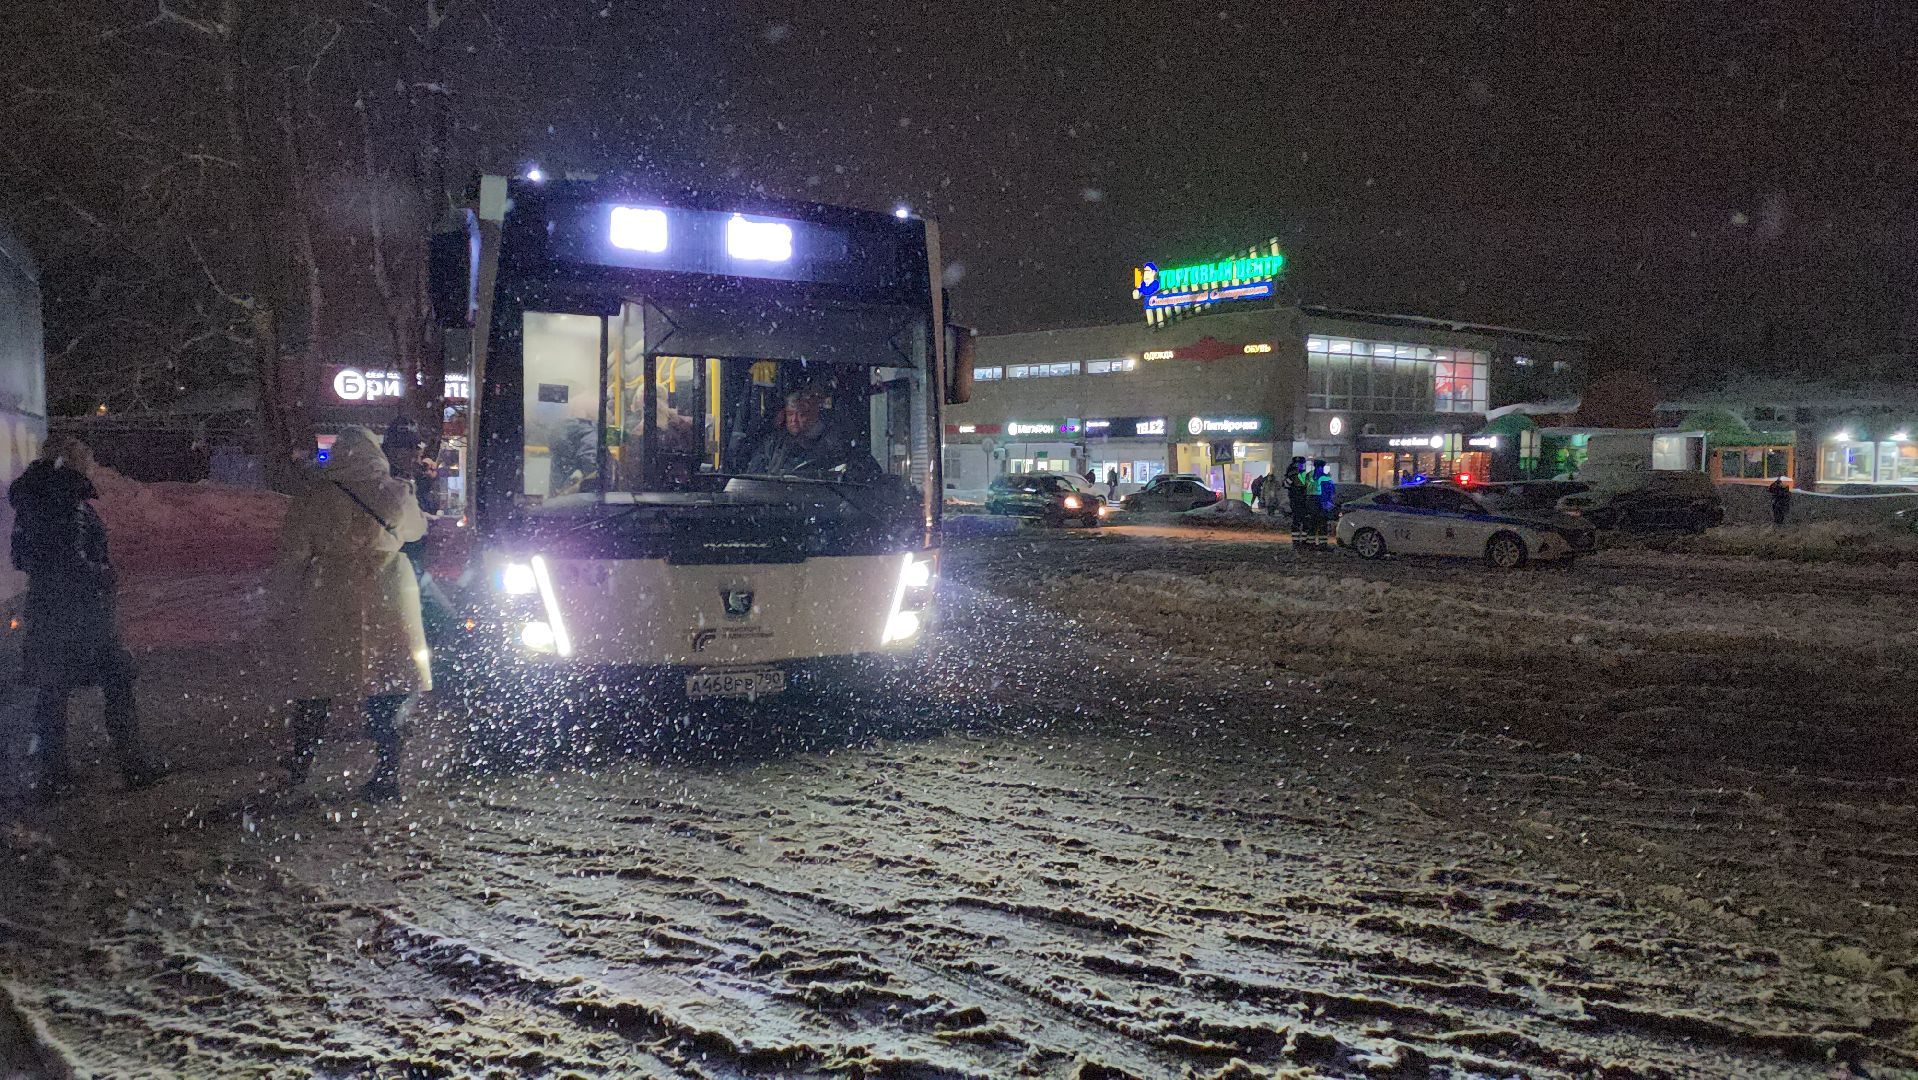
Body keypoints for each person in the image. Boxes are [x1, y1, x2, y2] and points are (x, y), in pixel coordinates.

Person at [270, 426, 430, 801]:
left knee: (318, 681)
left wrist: (281, 601)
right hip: (387, 588)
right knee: (386, 681)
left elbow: (293, 554)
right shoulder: (394, 491)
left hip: (330, 590)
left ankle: (300, 764)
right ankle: (387, 770)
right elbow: (416, 531)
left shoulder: (313, 497)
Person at [9, 437, 163, 799]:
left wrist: (51, 576)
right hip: (83, 614)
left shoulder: (31, 502)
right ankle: (133, 764)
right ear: (72, 462)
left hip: (47, 609)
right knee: (117, 681)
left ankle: (53, 772)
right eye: (85, 458)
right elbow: (75, 559)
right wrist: (104, 574)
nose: (91, 465)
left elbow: (21, 556)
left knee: (52, 691)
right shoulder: (70, 500)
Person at [746, 384, 875, 479]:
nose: (794, 420)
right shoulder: (773, 445)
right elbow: (754, 479)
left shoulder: (838, 443)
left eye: (801, 414)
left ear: (815, 413)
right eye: (790, 414)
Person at [1283, 456, 1310, 546]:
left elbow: (1285, 485)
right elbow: (1285, 484)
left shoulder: (1297, 475)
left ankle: (1298, 541)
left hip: (1299, 501)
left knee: (1300, 521)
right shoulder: (1297, 475)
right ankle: (1299, 541)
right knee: (1301, 521)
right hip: (1299, 501)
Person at [1314, 460, 1338, 546]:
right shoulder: (1325, 478)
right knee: (1322, 525)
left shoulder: (1310, 476)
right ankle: (1323, 544)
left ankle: (1310, 544)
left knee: (1312, 526)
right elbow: (1331, 492)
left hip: (1311, 504)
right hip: (1323, 505)